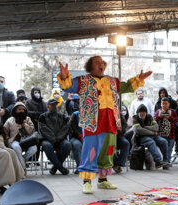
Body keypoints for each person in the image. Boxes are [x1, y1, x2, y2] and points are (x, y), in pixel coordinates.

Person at [57, 55, 152, 194]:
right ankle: (87, 181)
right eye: (97, 62)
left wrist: (139, 79)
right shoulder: (83, 80)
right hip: (92, 122)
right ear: (90, 66)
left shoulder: (112, 81)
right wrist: (64, 76)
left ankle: (102, 180)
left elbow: (126, 86)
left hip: (110, 121)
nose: (101, 64)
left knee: (108, 151)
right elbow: (68, 87)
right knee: (90, 151)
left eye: (102, 62)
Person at [39, 99, 71, 175]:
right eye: (52, 105)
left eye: (55, 105)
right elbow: (43, 129)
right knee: (47, 146)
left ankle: (55, 167)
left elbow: (65, 128)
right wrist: (53, 138)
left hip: (60, 139)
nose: (54, 106)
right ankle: (60, 167)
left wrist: (59, 137)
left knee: (67, 145)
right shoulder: (42, 116)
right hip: (47, 139)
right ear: (48, 106)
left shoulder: (62, 116)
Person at [132, 104, 169, 169]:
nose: (142, 113)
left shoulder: (149, 117)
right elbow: (138, 130)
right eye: (140, 112)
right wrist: (152, 132)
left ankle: (166, 162)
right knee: (151, 142)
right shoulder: (135, 118)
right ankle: (158, 161)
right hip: (142, 138)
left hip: (153, 136)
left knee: (164, 141)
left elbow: (156, 127)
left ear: (146, 112)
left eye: (143, 112)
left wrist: (145, 127)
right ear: (138, 112)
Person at [3, 102, 37, 171]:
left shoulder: (27, 119)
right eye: (19, 109)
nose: (21, 111)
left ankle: (20, 161)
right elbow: (5, 131)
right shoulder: (10, 120)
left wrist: (24, 123)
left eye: (23, 109)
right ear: (15, 110)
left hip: (27, 140)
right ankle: (23, 169)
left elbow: (31, 131)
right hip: (14, 141)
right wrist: (7, 139)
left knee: (34, 149)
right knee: (16, 147)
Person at [154, 97, 178, 167]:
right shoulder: (158, 112)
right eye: (163, 103)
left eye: (166, 104)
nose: (164, 105)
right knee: (164, 148)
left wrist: (170, 118)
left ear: (169, 104)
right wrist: (159, 117)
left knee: (170, 148)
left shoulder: (173, 112)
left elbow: (177, 121)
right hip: (161, 134)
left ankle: (167, 161)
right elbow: (153, 121)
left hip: (171, 134)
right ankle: (165, 161)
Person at [113, 104, 131, 173]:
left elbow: (124, 125)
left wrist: (120, 133)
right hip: (108, 136)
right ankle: (114, 163)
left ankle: (119, 163)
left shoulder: (119, 114)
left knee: (126, 143)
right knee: (108, 146)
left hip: (118, 136)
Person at [68, 109, 82, 174]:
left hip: (88, 137)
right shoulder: (75, 114)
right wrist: (80, 136)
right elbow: (72, 128)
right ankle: (80, 167)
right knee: (77, 145)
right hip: (75, 137)